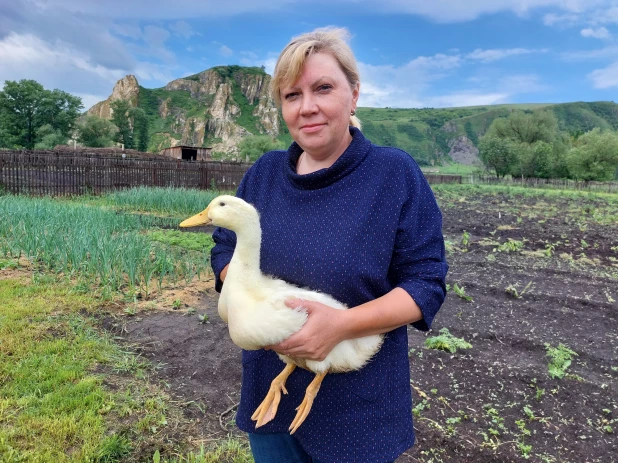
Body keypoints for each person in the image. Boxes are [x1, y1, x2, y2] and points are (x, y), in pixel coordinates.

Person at [211, 27, 448, 463]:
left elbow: (426, 283)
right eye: (291, 95)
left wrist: (341, 325)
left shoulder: (393, 175)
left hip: (359, 411)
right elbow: (224, 248)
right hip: (272, 393)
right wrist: (249, 294)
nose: (308, 107)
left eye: (323, 88)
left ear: (353, 94)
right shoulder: (263, 175)